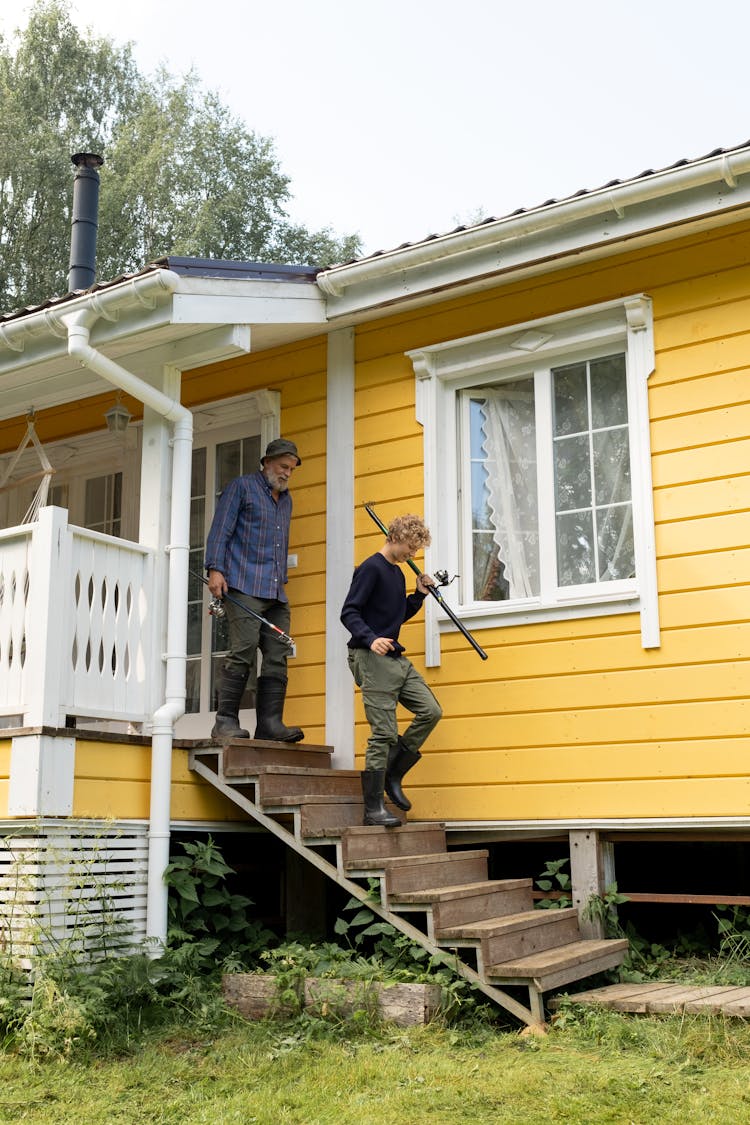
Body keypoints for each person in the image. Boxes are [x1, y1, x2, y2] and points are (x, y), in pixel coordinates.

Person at [340, 514, 443, 827]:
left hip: (394, 657)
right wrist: (371, 640)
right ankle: (373, 810)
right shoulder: (370, 568)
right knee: (383, 732)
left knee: (431, 710)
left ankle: (393, 773)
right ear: (395, 537)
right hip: (371, 656)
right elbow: (349, 612)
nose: (413, 554)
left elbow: (397, 616)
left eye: (417, 550)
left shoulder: (397, 575)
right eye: (410, 548)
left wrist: (419, 595)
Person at [205, 437, 303, 743]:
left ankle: (270, 724)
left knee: (277, 654)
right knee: (243, 650)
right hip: (244, 584)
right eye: (283, 466)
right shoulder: (242, 488)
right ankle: (224, 722)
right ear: (267, 463)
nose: (287, 473)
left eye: (291, 468)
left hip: (275, 591)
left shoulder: (286, 501)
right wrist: (215, 569)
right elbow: (221, 529)